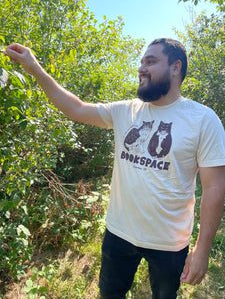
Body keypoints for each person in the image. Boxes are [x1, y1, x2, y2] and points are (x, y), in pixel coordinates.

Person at [6, 38, 225, 299]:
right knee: (110, 294)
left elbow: (214, 187)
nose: (141, 68)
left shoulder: (203, 119)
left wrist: (201, 251)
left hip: (170, 243)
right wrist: (35, 69)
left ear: (176, 67)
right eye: (141, 62)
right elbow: (75, 108)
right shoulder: (126, 111)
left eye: (151, 62)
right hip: (119, 234)